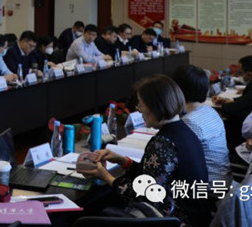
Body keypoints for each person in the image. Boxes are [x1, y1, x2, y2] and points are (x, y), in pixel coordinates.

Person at [78, 74, 210, 226]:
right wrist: (122, 160)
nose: (139, 111)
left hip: (176, 220)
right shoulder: (184, 131)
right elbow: (154, 175)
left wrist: (107, 177)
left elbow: (143, 196)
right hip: (196, 216)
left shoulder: (162, 144)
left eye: (141, 105)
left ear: (156, 106)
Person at [172, 64, 232, 185]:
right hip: (223, 180)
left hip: (207, 188)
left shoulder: (189, 122)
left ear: (177, 90)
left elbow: (176, 160)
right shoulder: (210, 111)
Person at [213, 55, 252, 149]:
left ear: (249, 74)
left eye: (241, 72)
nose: (238, 75)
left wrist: (221, 107)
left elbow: (240, 107)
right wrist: (230, 101)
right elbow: (246, 100)